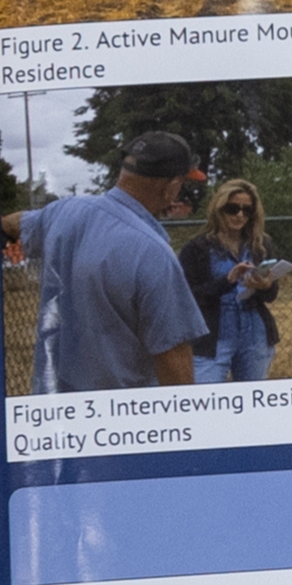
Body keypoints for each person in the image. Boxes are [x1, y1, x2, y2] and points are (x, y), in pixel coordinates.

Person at [32, 133, 212, 394]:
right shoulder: (153, 252)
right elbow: (173, 358)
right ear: (171, 186)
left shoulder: (63, 211)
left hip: (52, 404)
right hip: (121, 409)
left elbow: (13, 224)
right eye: (182, 182)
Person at [192, 179, 283, 384]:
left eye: (246, 210)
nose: (239, 215)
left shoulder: (261, 245)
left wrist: (265, 286)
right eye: (232, 209)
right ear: (219, 209)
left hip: (255, 333)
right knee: (205, 396)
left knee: (253, 397)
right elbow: (189, 296)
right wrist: (227, 281)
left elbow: (271, 295)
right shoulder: (198, 248)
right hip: (213, 335)